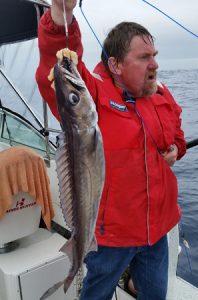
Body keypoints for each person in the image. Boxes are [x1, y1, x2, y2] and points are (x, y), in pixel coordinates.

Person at [36, 1, 187, 299]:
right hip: (111, 237)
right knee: (97, 293)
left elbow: (177, 135)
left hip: (158, 229)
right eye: (144, 57)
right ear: (116, 64)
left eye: (154, 55)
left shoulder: (159, 94)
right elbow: (59, 70)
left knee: (155, 294)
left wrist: (176, 149)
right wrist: (61, 15)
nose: (154, 64)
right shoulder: (93, 94)